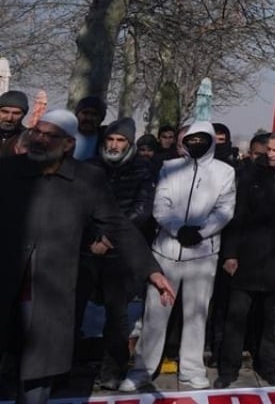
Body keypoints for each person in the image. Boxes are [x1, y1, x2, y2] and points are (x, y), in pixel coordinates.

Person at [0, 109, 175, 404]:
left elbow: (118, 226)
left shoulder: (86, 179)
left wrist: (151, 271)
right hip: (5, 282)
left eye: (50, 136)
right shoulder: (7, 171)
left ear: (68, 144)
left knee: (38, 374)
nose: (40, 140)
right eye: (37, 133)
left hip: (50, 292)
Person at [122, 122, 237, 392]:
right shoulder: (169, 167)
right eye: (192, 139)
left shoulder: (225, 172)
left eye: (202, 139)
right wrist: (177, 229)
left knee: (197, 315)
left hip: (203, 253)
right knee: (155, 314)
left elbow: (225, 208)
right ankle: (142, 370)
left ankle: (192, 369)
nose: (196, 144)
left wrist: (201, 232)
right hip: (166, 251)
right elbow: (160, 202)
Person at [214, 132, 275, 388]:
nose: (270, 154)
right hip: (247, 257)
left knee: (274, 318)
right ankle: (228, 368)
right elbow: (237, 215)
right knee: (236, 316)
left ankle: (269, 367)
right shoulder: (250, 173)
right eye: (269, 149)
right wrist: (231, 253)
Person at [75, 117, 155, 389]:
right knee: (72, 312)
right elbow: (77, 208)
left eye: (120, 140)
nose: (114, 144)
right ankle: (66, 366)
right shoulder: (88, 167)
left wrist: (109, 239)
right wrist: (92, 239)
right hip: (86, 251)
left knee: (117, 317)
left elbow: (141, 210)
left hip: (120, 254)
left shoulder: (142, 169)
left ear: (130, 144)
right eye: (110, 139)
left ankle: (112, 371)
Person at [0, 90, 28, 157]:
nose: (9, 118)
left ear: (24, 114)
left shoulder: (29, 139)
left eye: (16, 113)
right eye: (5, 112)